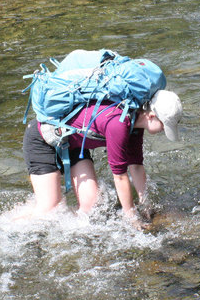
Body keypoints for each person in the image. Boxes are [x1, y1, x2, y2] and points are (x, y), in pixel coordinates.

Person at [23, 89, 182, 222]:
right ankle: (8, 223)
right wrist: (132, 218)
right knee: (50, 209)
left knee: (91, 207)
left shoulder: (135, 124)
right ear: (152, 116)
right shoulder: (118, 124)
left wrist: (146, 204)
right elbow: (119, 176)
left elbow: (136, 166)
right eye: (165, 126)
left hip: (74, 144)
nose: (164, 130)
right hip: (43, 139)